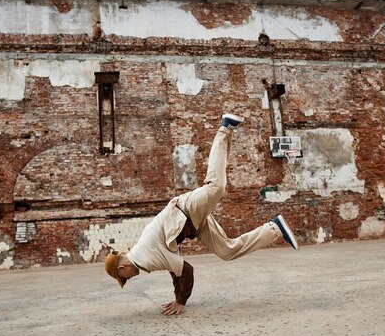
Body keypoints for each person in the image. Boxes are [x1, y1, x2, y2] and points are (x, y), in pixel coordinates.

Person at [105, 114, 299, 315]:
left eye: (126, 277)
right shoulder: (143, 255)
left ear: (122, 267)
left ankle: (225, 128)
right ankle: (275, 228)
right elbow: (175, 270)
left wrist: (181, 301)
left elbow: (185, 270)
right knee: (227, 251)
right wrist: (177, 297)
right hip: (192, 223)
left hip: (185, 209)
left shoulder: (144, 257)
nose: (130, 278)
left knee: (216, 187)